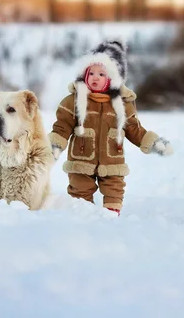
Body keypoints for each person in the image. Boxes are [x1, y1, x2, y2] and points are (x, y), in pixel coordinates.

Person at [48, 40, 173, 216]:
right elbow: (62, 127)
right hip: (81, 161)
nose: (95, 77)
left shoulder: (122, 104)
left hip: (112, 161)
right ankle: (81, 223)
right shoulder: (74, 101)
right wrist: (55, 145)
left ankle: (111, 222)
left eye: (101, 73)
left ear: (113, 78)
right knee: (79, 194)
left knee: (114, 192)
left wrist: (154, 143)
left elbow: (134, 129)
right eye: (91, 72)